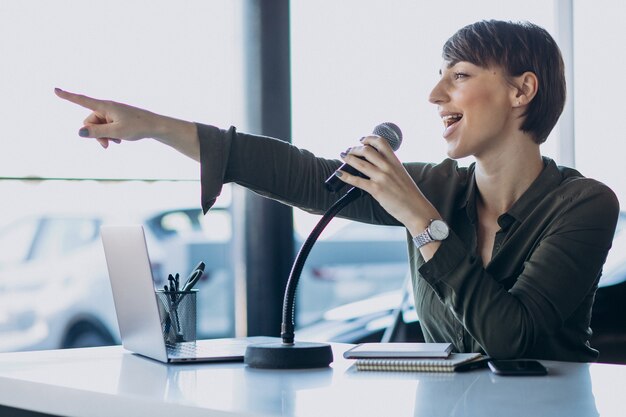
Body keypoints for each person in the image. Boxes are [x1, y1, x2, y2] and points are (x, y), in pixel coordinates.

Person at [55, 20, 619, 362]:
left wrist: (420, 221)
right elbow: (299, 174)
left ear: (523, 90)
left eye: (460, 76)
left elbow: (511, 340)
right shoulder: (437, 185)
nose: (434, 94)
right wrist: (156, 126)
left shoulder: (587, 204)